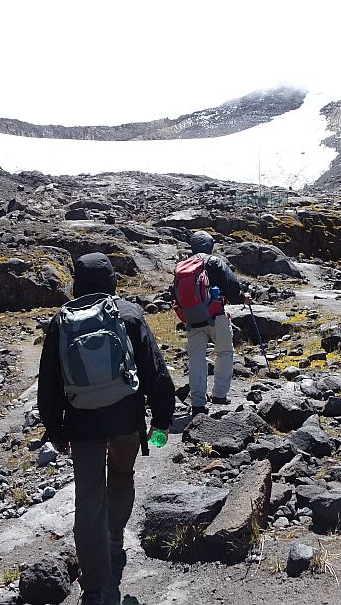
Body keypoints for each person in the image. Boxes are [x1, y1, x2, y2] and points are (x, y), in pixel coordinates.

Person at [38, 252, 175, 605]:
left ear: (77, 283)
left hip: (81, 424)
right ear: (112, 280)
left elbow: (49, 385)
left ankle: (96, 586)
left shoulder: (60, 323)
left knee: (87, 500)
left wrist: (55, 431)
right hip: (126, 419)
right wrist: (161, 420)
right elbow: (155, 371)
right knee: (121, 474)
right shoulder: (128, 314)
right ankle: (115, 536)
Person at [182, 231, 250, 415]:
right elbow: (232, 286)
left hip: (192, 319)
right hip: (216, 316)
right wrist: (243, 298)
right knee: (225, 352)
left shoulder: (183, 266)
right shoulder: (214, 262)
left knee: (196, 359)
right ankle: (219, 394)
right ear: (210, 245)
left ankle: (197, 402)